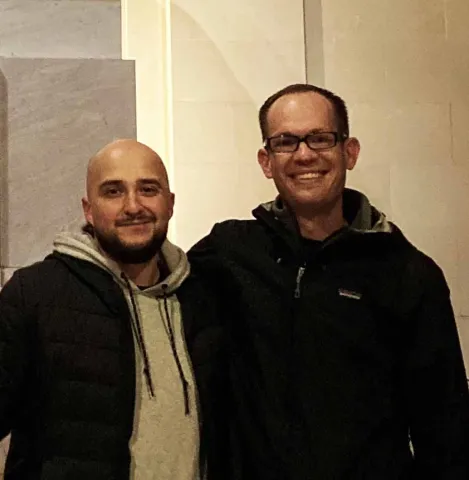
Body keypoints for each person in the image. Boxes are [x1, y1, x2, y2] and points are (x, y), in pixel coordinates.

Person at [188, 84, 469, 479]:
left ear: (348, 152)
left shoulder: (408, 274)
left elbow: (445, 429)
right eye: (286, 142)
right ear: (266, 161)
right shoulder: (228, 252)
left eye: (320, 138)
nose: (305, 155)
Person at [0, 139, 224, 479]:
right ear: (88, 210)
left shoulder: (204, 297)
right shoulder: (35, 294)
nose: (133, 206)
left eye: (148, 189)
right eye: (114, 192)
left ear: (171, 203)